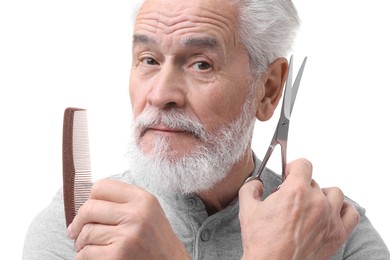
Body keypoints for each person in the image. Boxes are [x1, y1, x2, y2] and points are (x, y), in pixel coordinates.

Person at [23, 0, 390, 259]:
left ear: (269, 90)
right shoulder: (75, 227)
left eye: (201, 64)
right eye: (148, 60)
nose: (161, 94)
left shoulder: (337, 233)